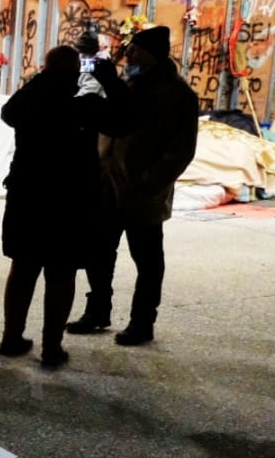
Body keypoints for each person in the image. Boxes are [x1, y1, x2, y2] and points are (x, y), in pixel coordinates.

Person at [68, 25, 198, 346]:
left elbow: (181, 148)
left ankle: (142, 322)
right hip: (107, 184)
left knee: (148, 259)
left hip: (143, 191)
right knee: (99, 252)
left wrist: (151, 181)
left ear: (153, 54)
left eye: (135, 50)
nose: (128, 56)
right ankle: (98, 310)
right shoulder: (127, 82)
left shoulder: (178, 94)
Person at [0, 45, 126, 368]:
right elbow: (124, 121)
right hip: (71, 201)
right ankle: (51, 348)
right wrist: (111, 81)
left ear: (45, 68)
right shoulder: (86, 106)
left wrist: (44, 78)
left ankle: (12, 337)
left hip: (28, 197)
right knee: (61, 273)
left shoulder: (30, 101)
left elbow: (9, 113)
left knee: (23, 269)